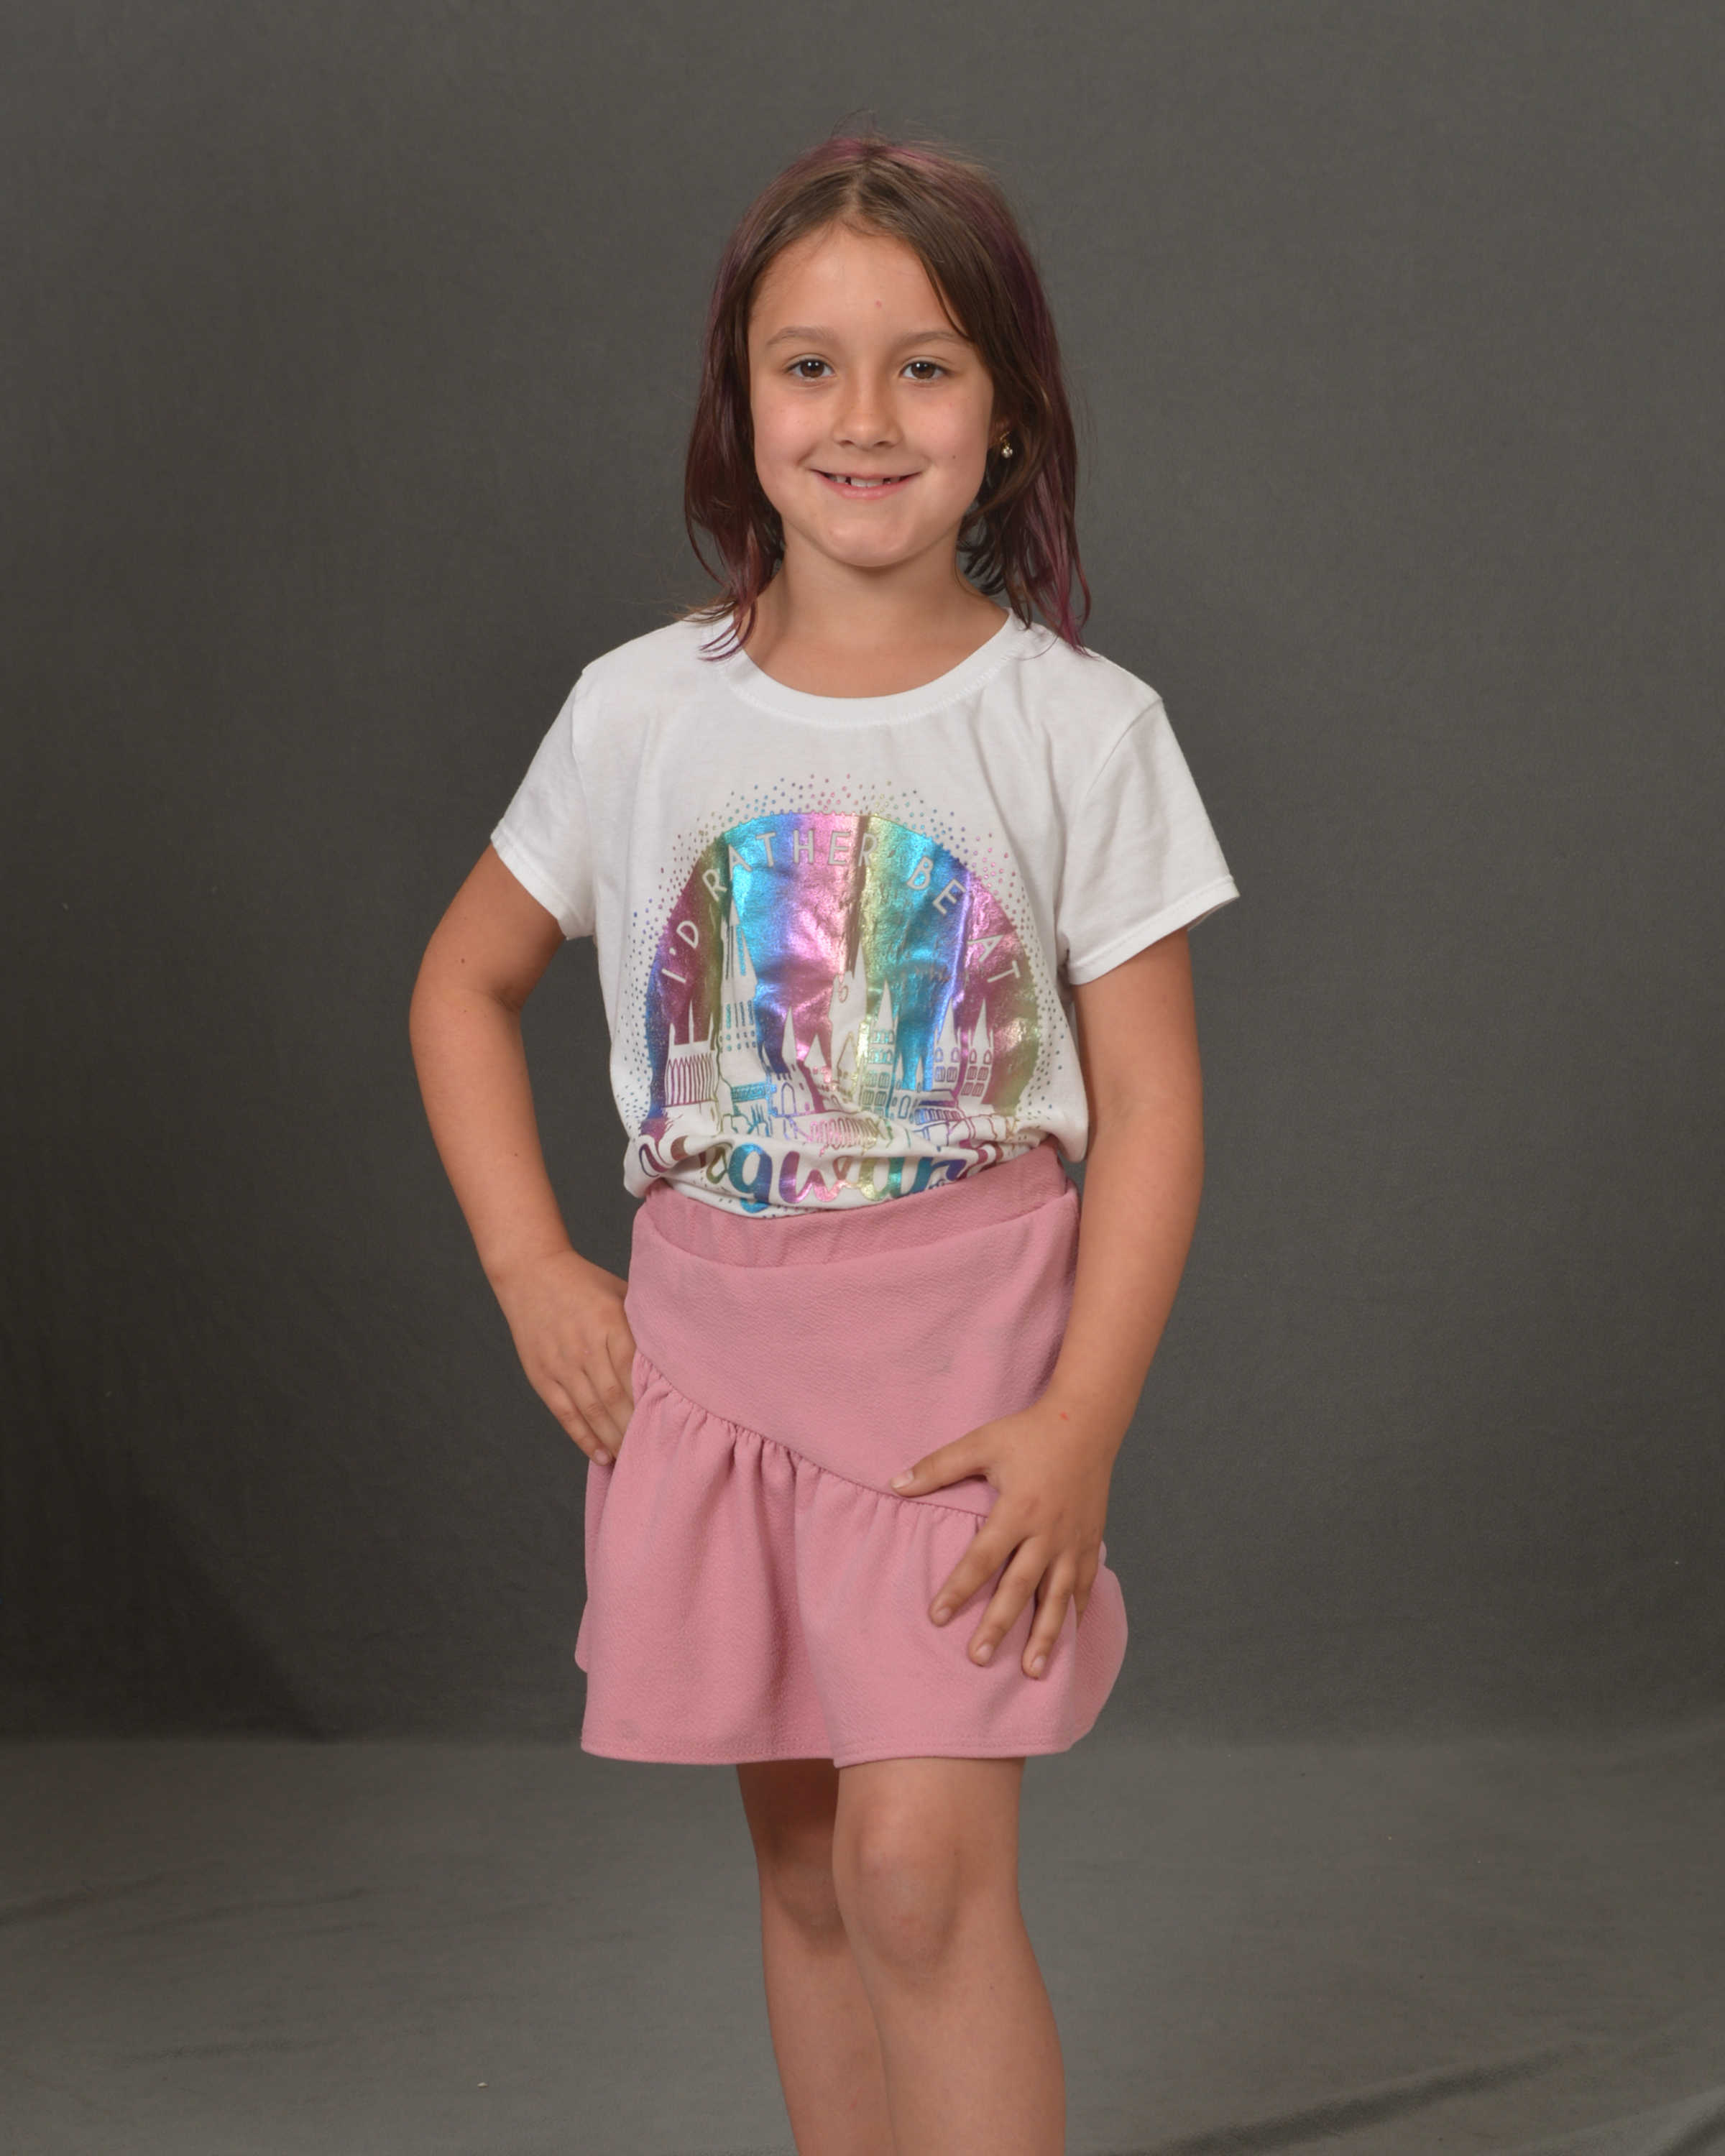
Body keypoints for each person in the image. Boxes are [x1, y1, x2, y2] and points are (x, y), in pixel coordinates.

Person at [410, 132, 1236, 2156]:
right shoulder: (638, 712)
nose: (865, 417)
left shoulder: (1080, 727)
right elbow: (460, 986)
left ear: (1009, 414)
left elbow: (1153, 1106)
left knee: (916, 1878)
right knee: (803, 1876)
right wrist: (530, 1265)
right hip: (714, 1363)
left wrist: (1085, 1419)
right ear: (742, 400)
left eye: (925, 366)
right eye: (811, 366)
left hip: (964, 1378)